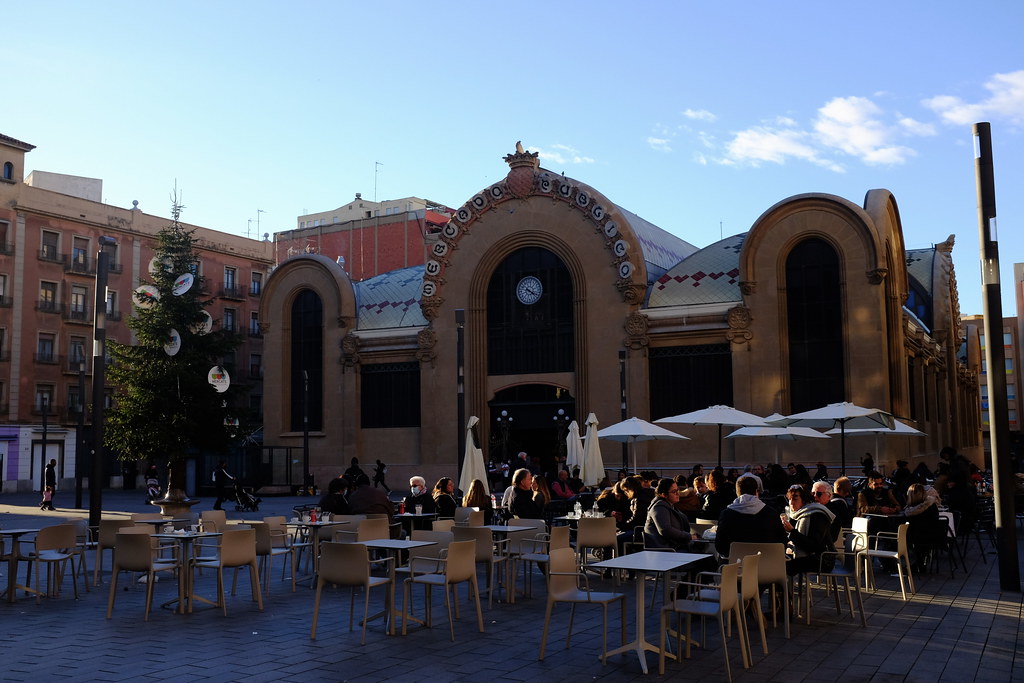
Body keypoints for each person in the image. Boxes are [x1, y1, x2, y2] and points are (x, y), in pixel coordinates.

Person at [715, 474, 787, 559]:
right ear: (756, 492)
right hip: (767, 566)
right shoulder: (771, 513)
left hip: (735, 567)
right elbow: (782, 543)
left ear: (737, 493)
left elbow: (720, 546)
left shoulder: (726, 514)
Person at [780, 484, 836, 575]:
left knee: (781, 567)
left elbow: (813, 545)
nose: (791, 503)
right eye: (789, 499)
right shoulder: (798, 514)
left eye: (795, 499)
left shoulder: (817, 514)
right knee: (775, 561)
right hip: (811, 556)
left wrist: (791, 531)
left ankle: (781, 589)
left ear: (804, 500)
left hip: (822, 559)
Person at [645, 478, 692, 551]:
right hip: (667, 549)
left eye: (677, 490)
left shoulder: (669, 505)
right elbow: (665, 530)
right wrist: (689, 536)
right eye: (674, 492)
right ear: (664, 495)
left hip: (674, 546)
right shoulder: (659, 507)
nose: (678, 493)